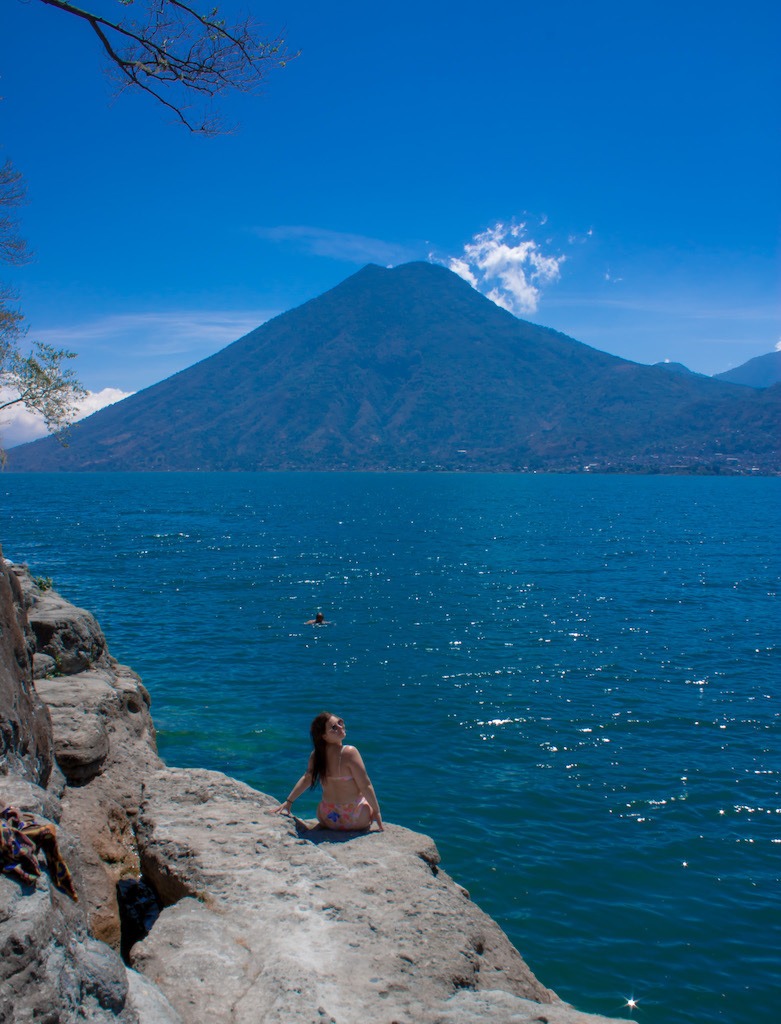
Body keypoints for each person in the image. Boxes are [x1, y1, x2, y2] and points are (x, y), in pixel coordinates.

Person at [271, 713, 383, 831]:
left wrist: (289, 802)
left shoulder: (317, 755)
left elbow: (307, 779)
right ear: (324, 736)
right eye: (334, 728)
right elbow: (365, 785)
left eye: (340, 722)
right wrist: (377, 811)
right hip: (355, 818)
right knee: (366, 803)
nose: (340, 727)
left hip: (327, 817)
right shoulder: (349, 752)